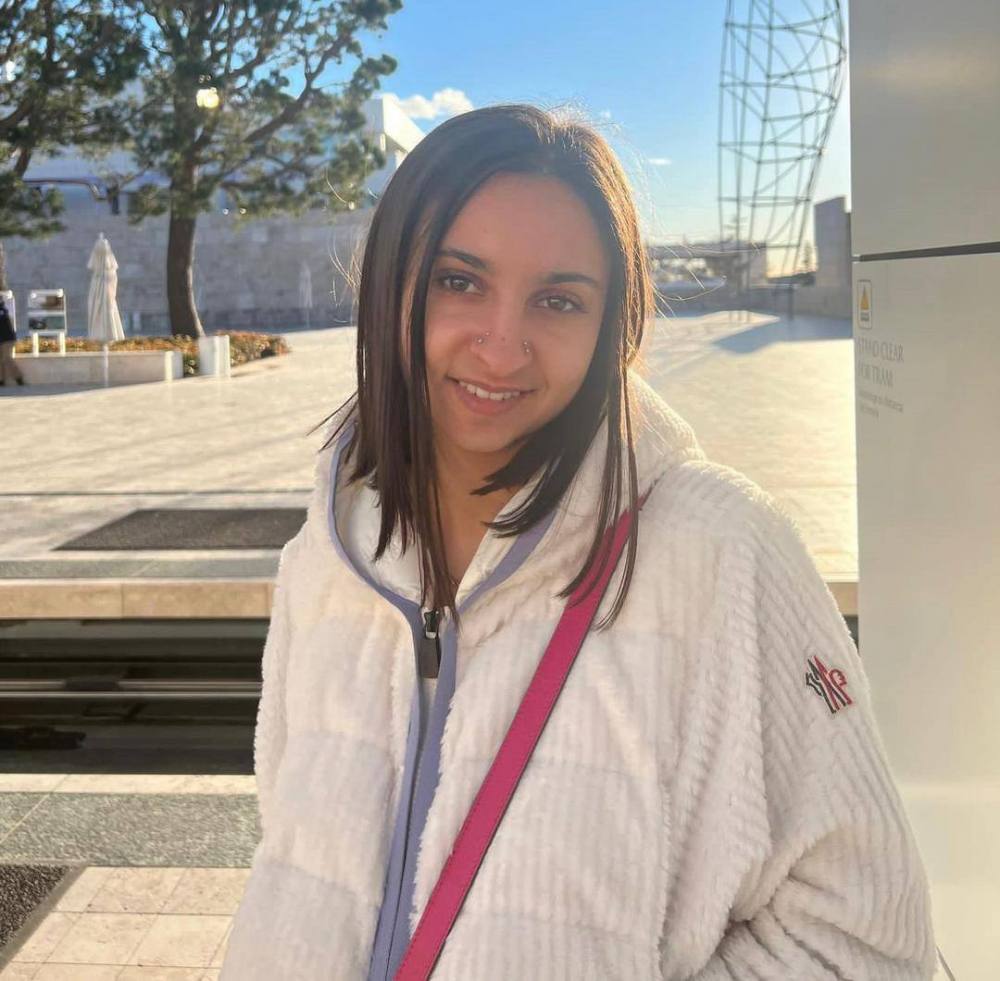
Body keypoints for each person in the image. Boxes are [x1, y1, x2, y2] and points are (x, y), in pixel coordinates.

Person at [220, 104, 937, 980]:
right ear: (388, 289)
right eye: (459, 281)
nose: (502, 346)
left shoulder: (722, 552)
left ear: (611, 326)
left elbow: (863, 939)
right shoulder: (326, 555)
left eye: (558, 300)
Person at [0, 296, 26, 386]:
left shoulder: (2, 310)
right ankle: (1, 380)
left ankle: (18, 377)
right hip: (3, 338)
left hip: (7, 339)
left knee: (6, 358)